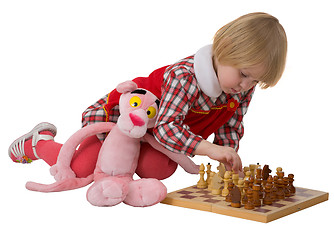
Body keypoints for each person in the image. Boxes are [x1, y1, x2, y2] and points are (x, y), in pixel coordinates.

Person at [8, 12, 287, 180]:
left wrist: (227, 158)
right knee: (82, 169)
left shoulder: (239, 89)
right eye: (243, 74)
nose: (246, 86)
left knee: (158, 169)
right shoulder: (185, 76)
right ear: (225, 51)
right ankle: (39, 143)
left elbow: (230, 125)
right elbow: (167, 128)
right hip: (121, 124)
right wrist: (210, 149)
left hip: (151, 135)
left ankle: (126, 162)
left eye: (256, 81)